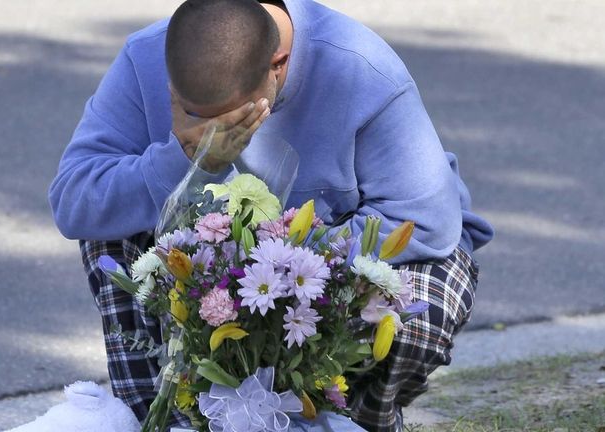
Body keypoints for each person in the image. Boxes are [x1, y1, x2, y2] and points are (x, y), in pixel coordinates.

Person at [48, 0, 494, 430]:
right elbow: (74, 199)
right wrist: (185, 158)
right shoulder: (145, 56)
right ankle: (163, 420)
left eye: (232, 122)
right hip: (211, 265)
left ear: (277, 66)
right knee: (109, 236)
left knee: (423, 298)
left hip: (330, 261)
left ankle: (359, 422)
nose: (211, 136)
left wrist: (285, 261)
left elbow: (427, 220)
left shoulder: (360, 67)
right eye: (191, 116)